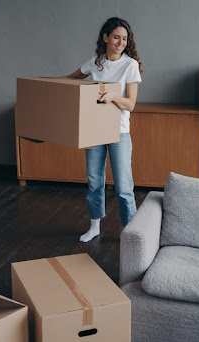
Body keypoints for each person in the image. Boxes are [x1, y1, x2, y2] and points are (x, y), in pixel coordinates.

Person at [67, 17, 143, 242]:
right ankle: (94, 226)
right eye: (117, 37)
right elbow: (71, 80)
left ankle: (130, 234)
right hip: (94, 131)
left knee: (123, 186)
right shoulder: (96, 62)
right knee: (94, 181)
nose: (121, 42)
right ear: (106, 37)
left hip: (119, 132)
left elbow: (131, 104)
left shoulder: (130, 65)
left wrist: (113, 97)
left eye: (125, 39)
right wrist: (48, 85)